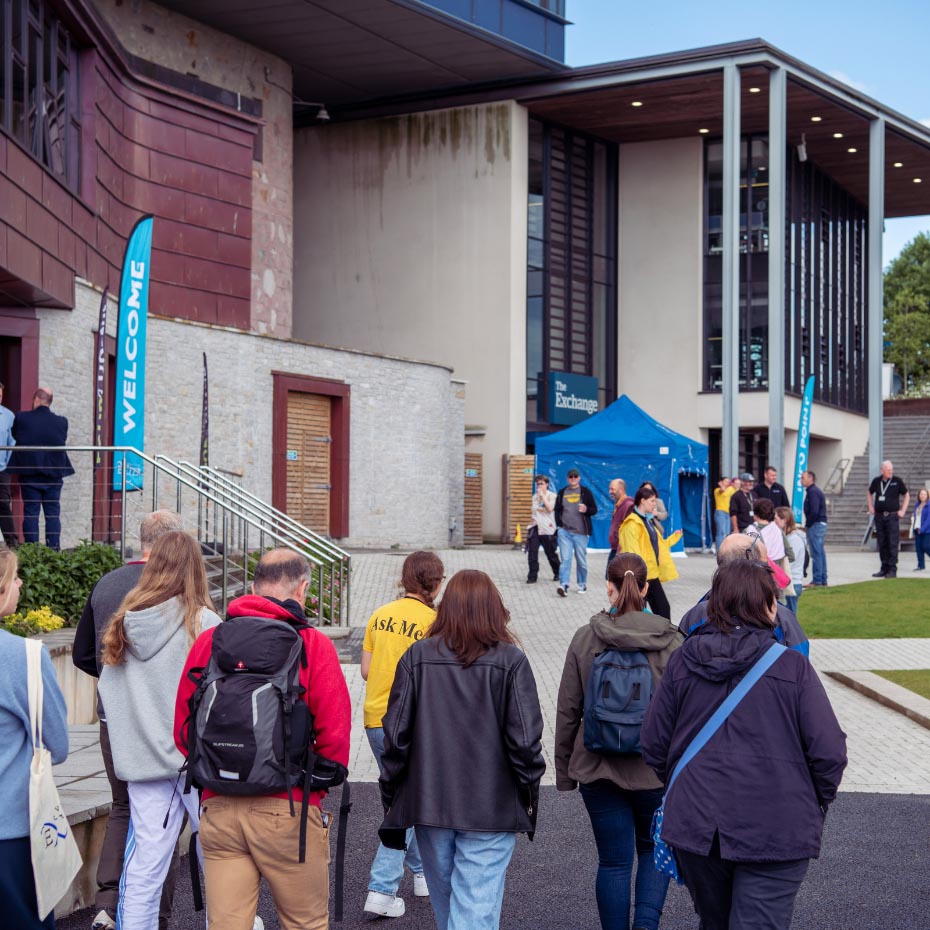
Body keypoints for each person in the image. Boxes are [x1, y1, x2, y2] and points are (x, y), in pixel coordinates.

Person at [641, 560, 847, 930]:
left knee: (715, 921)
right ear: (768, 606)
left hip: (697, 823)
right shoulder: (792, 667)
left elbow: (654, 743)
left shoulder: (682, 660)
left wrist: (687, 785)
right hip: (776, 823)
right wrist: (815, 800)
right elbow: (829, 751)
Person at [175, 548, 351, 930]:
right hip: (289, 807)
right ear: (302, 589)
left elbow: (184, 732)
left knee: (226, 925)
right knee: (305, 923)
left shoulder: (210, 641)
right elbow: (335, 739)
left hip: (218, 807)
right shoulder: (313, 645)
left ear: (253, 588)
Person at [379, 570, 545, 930]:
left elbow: (395, 736)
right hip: (493, 805)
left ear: (446, 608)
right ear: (495, 609)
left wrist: (391, 794)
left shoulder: (417, 657)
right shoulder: (511, 661)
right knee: (473, 910)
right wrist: (529, 793)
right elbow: (526, 742)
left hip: (430, 802)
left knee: (451, 910)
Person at [98, 531, 222, 930]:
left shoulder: (124, 622)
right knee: (219, 858)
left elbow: (107, 690)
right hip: (197, 761)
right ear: (195, 569)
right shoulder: (204, 623)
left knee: (145, 864)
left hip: (144, 760)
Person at [555, 553, 682, 930]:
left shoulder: (586, 637)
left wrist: (565, 773)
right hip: (654, 771)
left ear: (609, 587)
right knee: (652, 850)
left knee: (613, 862)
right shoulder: (672, 641)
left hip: (597, 767)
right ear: (646, 588)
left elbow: (568, 709)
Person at [72, 510, 185, 930]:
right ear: (175, 542)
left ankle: (107, 903)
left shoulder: (107, 584)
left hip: (113, 719)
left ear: (143, 540)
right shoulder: (177, 587)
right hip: (163, 719)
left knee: (123, 805)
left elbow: (83, 653)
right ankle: (156, 913)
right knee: (165, 816)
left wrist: (114, 683)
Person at [361, 551, 444, 918]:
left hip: (375, 719)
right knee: (404, 804)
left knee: (402, 797)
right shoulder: (435, 622)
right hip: (411, 724)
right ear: (436, 583)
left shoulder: (379, 614)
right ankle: (381, 887)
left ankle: (423, 871)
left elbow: (366, 670)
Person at [0, 547, 69, 929]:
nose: (20, 583)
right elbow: (57, 744)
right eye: (14, 578)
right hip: (10, 834)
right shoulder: (23, 657)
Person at [678, 534, 809, 655]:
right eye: (766, 564)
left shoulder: (697, 614)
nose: (770, 571)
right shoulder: (782, 618)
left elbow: (678, 662)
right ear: (751, 568)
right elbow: (800, 665)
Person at [7, 387, 74, 550]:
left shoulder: (22, 418)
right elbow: (61, 438)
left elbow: (16, 435)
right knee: (53, 515)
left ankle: (33, 552)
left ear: (36, 399)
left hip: (30, 475)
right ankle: (53, 550)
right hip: (53, 476)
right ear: (49, 402)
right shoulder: (62, 422)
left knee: (31, 514)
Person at [618, 486, 681, 620]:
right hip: (640, 577)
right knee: (638, 615)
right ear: (642, 501)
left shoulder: (647, 521)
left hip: (652, 575)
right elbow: (632, 554)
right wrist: (638, 578)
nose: (654, 504)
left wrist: (674, 538)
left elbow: (658, 546)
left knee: (663, 610)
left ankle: (663, 633)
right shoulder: (632, 524)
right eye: (652, 501)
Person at [555, 468, 598, 596]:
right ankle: (564, 585)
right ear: (567, 478)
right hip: (565, 532)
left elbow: (594, 509)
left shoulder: (585, 492)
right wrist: (559, 526)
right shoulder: (562, 492)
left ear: (579, 478)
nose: (573, 478)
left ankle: (582, 584)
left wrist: (586, 509)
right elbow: (557, 510)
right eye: (571, 477)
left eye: (575, 476)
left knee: (581, 561)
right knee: (565, 559)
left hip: (581, 533)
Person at [868, 460, 909, 579]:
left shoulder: (897, 481)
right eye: (888, 470)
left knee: (892, 542)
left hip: (892, 516)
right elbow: (869, 492)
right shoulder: (876, 481)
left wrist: (903, 510)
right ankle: (884, 568)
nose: (891, 472)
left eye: (891, 469)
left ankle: (892, 569)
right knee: (882, 542)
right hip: (879, 516)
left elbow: (906, 495)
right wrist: (871, 507)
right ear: (882, 470)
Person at [527, 475, 560, 583]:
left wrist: (543, 496)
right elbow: (534, 511)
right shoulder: (534, 497)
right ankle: (532, 576)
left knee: (551, 554)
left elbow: (550, 509)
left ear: (547, 484)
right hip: (535, 527)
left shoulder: (552, 496)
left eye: (541, 483)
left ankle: (557, 572)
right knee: (532, 553)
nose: (539, 486)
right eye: (538, 484)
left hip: (548, 528)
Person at [777, 507, 807, 614]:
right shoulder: (789, 538)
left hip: (792, 583)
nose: (774, 522)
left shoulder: (794, 539)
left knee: (789, 618)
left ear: (784, 520)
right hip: (789, 582)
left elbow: (789, 561)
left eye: (776, 519)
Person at [801, 471, 828, 588]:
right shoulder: (812, 491)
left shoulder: (813, 492)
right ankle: (822, 579)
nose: (801, 480)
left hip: (816, 524)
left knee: (816, 553)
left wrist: (808, 525)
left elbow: (814, 511)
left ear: (810, 478)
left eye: (803, 478)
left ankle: (817, 580)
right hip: (818, 524)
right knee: (820, 552)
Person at [0, 381, 17, 547]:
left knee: (4, 504)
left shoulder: (8, 416)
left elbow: (12, 442)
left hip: (1, 469)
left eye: (0, 395)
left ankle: (12, 543)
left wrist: (7, 463)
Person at [606, 478, 634, 576]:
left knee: (613, 579)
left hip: (621, 550)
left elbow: (628, 531)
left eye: (612, 489)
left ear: (621, 490)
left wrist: (620, 551)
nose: (610, 492)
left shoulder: (628, 506)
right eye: (609, 489)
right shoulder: (619, 505)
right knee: (610, 578)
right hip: (616, 549)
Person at [712, 476, 735, 552]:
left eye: (728, 481)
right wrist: (721, 485)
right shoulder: (717, 490)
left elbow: (737, 489)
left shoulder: (730, 489)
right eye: (726, 481)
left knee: (727, 533)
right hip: (720, 512)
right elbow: (722, 490)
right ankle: (718, 551)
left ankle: (725, 551)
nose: (728, 483)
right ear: (721, 482)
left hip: (728, 513)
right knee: (721, 532)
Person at [912, 488, 930, 571]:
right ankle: (921, 566)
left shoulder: (929, 505)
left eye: (924, 494)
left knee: (925, 546)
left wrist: (922, 529)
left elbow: (929, 519)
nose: (922, 496)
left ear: (927, 496)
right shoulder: (917, 504)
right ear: (919, 495)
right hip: (917, 528)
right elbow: (916, 515)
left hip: (926, 530)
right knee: (918, 548)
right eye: (921, 494)